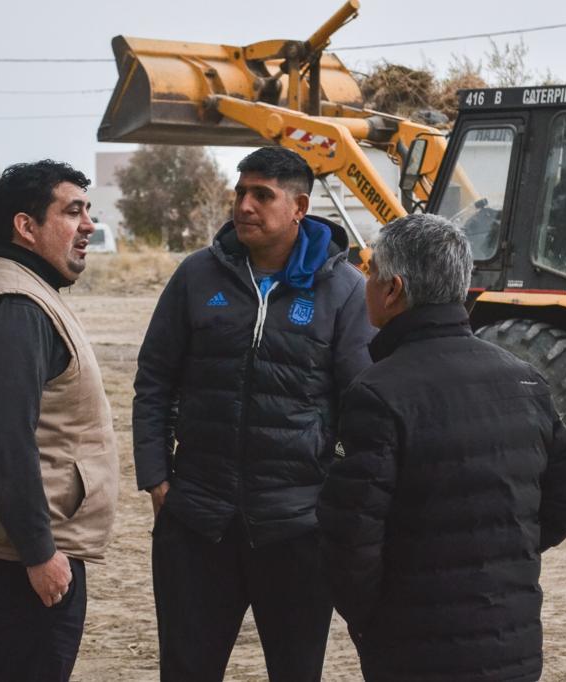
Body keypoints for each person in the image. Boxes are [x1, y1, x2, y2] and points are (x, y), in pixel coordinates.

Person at [132, 146, 374, 681]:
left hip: (297, 530)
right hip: (197, 523)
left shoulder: (344, 289)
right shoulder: (197, 276)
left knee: (294, 671)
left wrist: (333, 498)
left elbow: (363, 405)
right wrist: (157, 480)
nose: (244, 205)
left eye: (262, 195)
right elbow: (153, 380)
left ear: (299, 207)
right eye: (240, 192)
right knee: (186, 669)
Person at [317, 213, 566, 682]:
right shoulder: (523, 378)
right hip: (513, 641)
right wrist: (507, 555)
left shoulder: (377, 393)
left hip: (415, 646)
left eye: (371, 272)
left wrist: (373, 616)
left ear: (393, 290)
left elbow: (350, 536)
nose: (365, 283)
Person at [0, 160, 119, 682]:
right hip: (8, 560)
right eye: (72, 211)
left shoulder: (22, 290)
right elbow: (6, 440)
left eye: (89, 211)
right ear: (25, 226)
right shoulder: (14, 306)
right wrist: (39, 554)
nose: (89, 225)